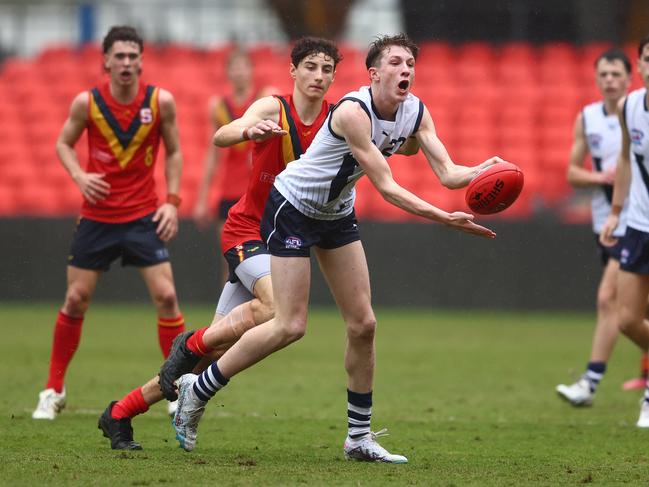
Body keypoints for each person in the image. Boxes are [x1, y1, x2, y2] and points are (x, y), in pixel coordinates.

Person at [166, 33, 503, 462]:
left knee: (364, 324)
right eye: (396, 63)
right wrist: (445, 218)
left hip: (337, 213)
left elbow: (451, 174)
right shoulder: (352, 112)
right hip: (293, 207)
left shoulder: (415, 112)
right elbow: (387, 188)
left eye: (411, 65)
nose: (406, 71)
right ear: (374, 73)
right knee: (290, 324)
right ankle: (200, 387)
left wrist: (485, 171)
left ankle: (358, 438)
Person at [98, 37, 342, 450]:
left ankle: (120, 411)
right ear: (293, 71)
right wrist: (249, 129)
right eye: (311, 67)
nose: (319, 76)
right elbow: (222, 134)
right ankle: (190, 341)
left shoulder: (339, 118)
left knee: (211, 355)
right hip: (247, 230)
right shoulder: (273, 106)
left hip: (282, 240)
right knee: (275, 308)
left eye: (326, 69)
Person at [32, 26, 185, 420]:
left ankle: (177, 386)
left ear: (141, 61)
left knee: (167, 297)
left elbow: (174, 152)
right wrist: (80, 177)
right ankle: (53, 389)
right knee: (75, 300)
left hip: (142, 216)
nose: (127, 63)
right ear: (105, 61)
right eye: (120, 56)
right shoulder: (88, 103)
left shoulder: (160, 101)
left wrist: (171, 202)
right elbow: (62, 143)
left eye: (134, 56)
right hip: (97, 218)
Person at [555, 49, 633, 406]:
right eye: (604, 74)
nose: (610, 80)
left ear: (629, 78)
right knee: (632, 308)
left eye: (616, 74)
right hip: (607, 221)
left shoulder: (639, 114)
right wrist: (601, 176)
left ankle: (589, 382)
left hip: (637, 219)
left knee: (609, 299)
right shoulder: (587, 118)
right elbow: (572, 172)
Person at [600, 33, 649, 427]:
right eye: (648, 59)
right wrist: (616, 212)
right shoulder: (631, 105)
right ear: (641, 65)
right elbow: (627, 160)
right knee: (628, 319)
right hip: (638, 224)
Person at [193, 48, 272, 282]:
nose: (239, 73)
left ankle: (267, 310)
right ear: (227, 73)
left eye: (243, 67)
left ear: (251, 70)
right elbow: (213, 154)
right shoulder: (218, 106)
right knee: (230, 259)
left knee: (266, 254)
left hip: (259, 189)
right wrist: (201, 199)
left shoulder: (264, 99)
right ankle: (228, 312)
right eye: (234, 68)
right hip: (230, 190)